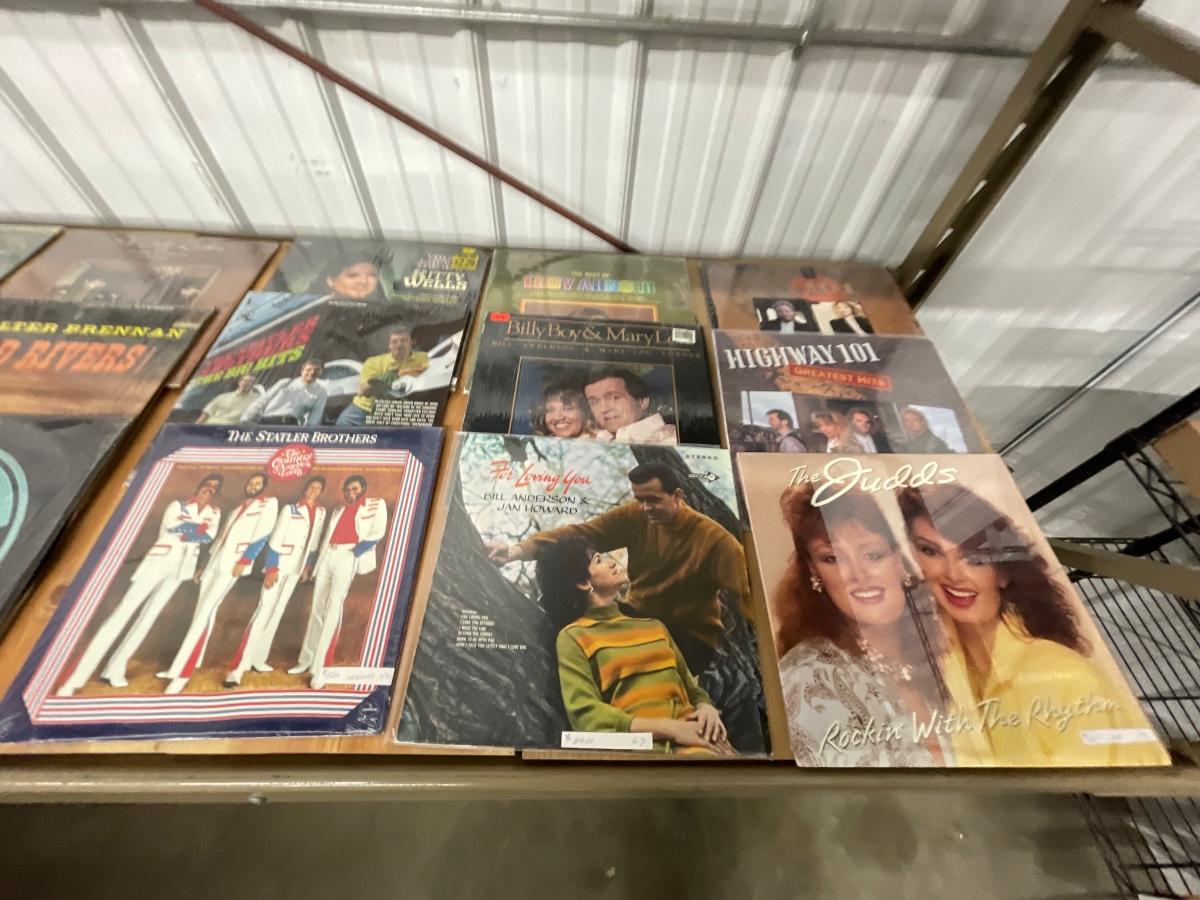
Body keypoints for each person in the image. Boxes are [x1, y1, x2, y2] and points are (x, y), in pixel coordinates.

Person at [897, 483, 1165, 766]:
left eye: (975, 558)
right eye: (931, 551)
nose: (953, 574)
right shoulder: (942, 669)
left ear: (1003, 572)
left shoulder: (1055, 672)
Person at [485, 462, 749, 675]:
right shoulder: (636, 515)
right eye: (639, 499)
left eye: (653, 500)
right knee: (578, 614)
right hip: (640, 617)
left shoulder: (717, 541)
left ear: (677, 496)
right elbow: (579, 534)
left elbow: (750, 598)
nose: (646, 508)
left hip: (688, 639)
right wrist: (515, 552)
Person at [771, 481, 951, 766]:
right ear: (814, 571)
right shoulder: (810, 682)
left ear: (901, 560)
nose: (857, 575)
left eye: (872, 555)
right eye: (833, 558)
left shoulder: (943, 652)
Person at [538, 538, 733, 755]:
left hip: (703, 739)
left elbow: (692, 689)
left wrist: (706, 708)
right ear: (583, 583)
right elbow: (586, 715)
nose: (612, 562)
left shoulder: (655, 627)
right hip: (646, 752)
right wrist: (671, 729)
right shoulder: (573, 637)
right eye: (599, 560)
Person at [56, 475, 224, 696]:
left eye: (214, 488)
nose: (209, 489)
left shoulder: (214, 512)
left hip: (182, 568)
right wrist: (197, 529)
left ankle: (115, 669)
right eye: (207, 485)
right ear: (199, 486)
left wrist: (193, 530)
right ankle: (75, 679)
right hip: (159, 561)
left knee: (149, 617)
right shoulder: (178, 505)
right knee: (123, 612)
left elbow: (209, 536)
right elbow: (173, 527)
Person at [157, 473, 279, 694]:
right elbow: (221, 538)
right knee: (201, 613)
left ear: (264, 487)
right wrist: (204, 565)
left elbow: (263, 535)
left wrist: (245, 560)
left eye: (257, 483)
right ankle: (184, 663)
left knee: (204, 613)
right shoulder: (236, 508)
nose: (252, 486)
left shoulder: (269, 504)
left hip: (233, 563)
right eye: (250, 482)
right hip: (215, 562)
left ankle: (182, 673)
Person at [288, 475, 388, 689]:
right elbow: (326, 536)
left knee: (333, 608)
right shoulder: (339, 509)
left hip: (348, 555)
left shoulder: (375, 504)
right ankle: (306, 660)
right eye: (347, 490)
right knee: (317, 607)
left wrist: (355, 552)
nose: (350, 493)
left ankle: (320, 669)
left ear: (363, 489)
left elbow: (378, 532)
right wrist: (316, 562)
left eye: (355, 489)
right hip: (328, 555)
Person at [225, 476, 327, 685]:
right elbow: (275, 540)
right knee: (264, 610)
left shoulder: (321, 512)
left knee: (278, 611)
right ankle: (238, 668)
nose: (314, 490)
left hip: (296, 569)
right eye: (311, 486)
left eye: (318, 488)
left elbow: (314, 542)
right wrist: (272, 568)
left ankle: (258, 659)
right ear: (305, 489)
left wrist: (307, 566)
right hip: (279, 565)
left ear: (320, 492)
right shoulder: (290, 510)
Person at [336, 328, 429, 426]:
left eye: (403, 341)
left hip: (394, 410)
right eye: (394, 342)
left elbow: (425, 372)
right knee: (340, 426)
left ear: (411, 342)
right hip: (362, 408)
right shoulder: (372, 362)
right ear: (389, 346)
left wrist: (399, 374)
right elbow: (365, 390)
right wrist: (395, 376)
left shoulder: (422, 357)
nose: (399, 345)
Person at [582, 367, 676, 444]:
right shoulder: (590, 442)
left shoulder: (670, 440)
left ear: (643, 401)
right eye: (594, 402)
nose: (603, 409)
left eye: (614, 398)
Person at [241, 360, 328, 426]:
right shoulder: (285, 383)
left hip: (291, 426)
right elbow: (263, 400)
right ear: (302, 371)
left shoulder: (320, 392)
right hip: (268, 422)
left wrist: (308, 434)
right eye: (309, 369)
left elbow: (316, 416)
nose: (312, 372)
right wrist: (245, 419)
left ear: (321, 372)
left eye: (316, 370)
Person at [529, 381, 595, 439]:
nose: (558, 417)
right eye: (550, 410)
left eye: (567, 408)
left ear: (584, 412)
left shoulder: (598, 443)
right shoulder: (539, 444)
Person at [318, 257, 386, 302]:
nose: (363, 281)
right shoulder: (315, 307)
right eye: (353, 275)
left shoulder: (387, 309)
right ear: (330, 280)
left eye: (371, 276)